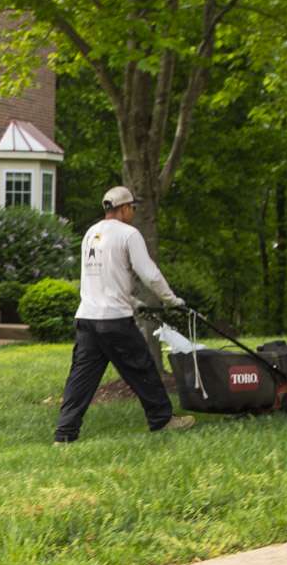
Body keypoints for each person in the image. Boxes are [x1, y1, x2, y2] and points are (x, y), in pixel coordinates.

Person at [52, 186, 196, 442]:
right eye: (133, 207)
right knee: (143, 368)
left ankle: (64, 434)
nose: (134, 212)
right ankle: (162, 420)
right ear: (124, 208)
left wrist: (134, 302)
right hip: (114, 320)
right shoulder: (129, 234)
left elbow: (99, 279)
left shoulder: (90, 233)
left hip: (87, 318)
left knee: (81, 379)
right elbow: (150, 274)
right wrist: (172, 301)